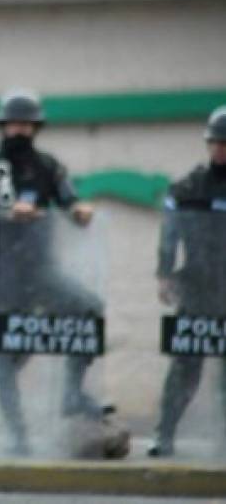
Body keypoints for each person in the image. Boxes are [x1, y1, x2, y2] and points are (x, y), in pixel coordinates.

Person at [0, 89, 102, 455]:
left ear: (35, 127)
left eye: (26, 124)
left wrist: (78, 209)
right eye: (14, 123)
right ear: (3, 125)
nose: (20, 130)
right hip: (3, 274)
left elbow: (68, 195)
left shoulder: (49, 165)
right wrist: (9, 213)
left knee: (87, 310)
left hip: (42, 271)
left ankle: (72, 393)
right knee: (7, 351)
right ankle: (16, 434)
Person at [148, 105, 226, 457]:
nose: (221, 149)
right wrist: (164, 273)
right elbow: (170, 231)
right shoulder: (189, 186)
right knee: (184, 367)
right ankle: (164, 435)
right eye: (216, 143)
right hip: (198, 285)